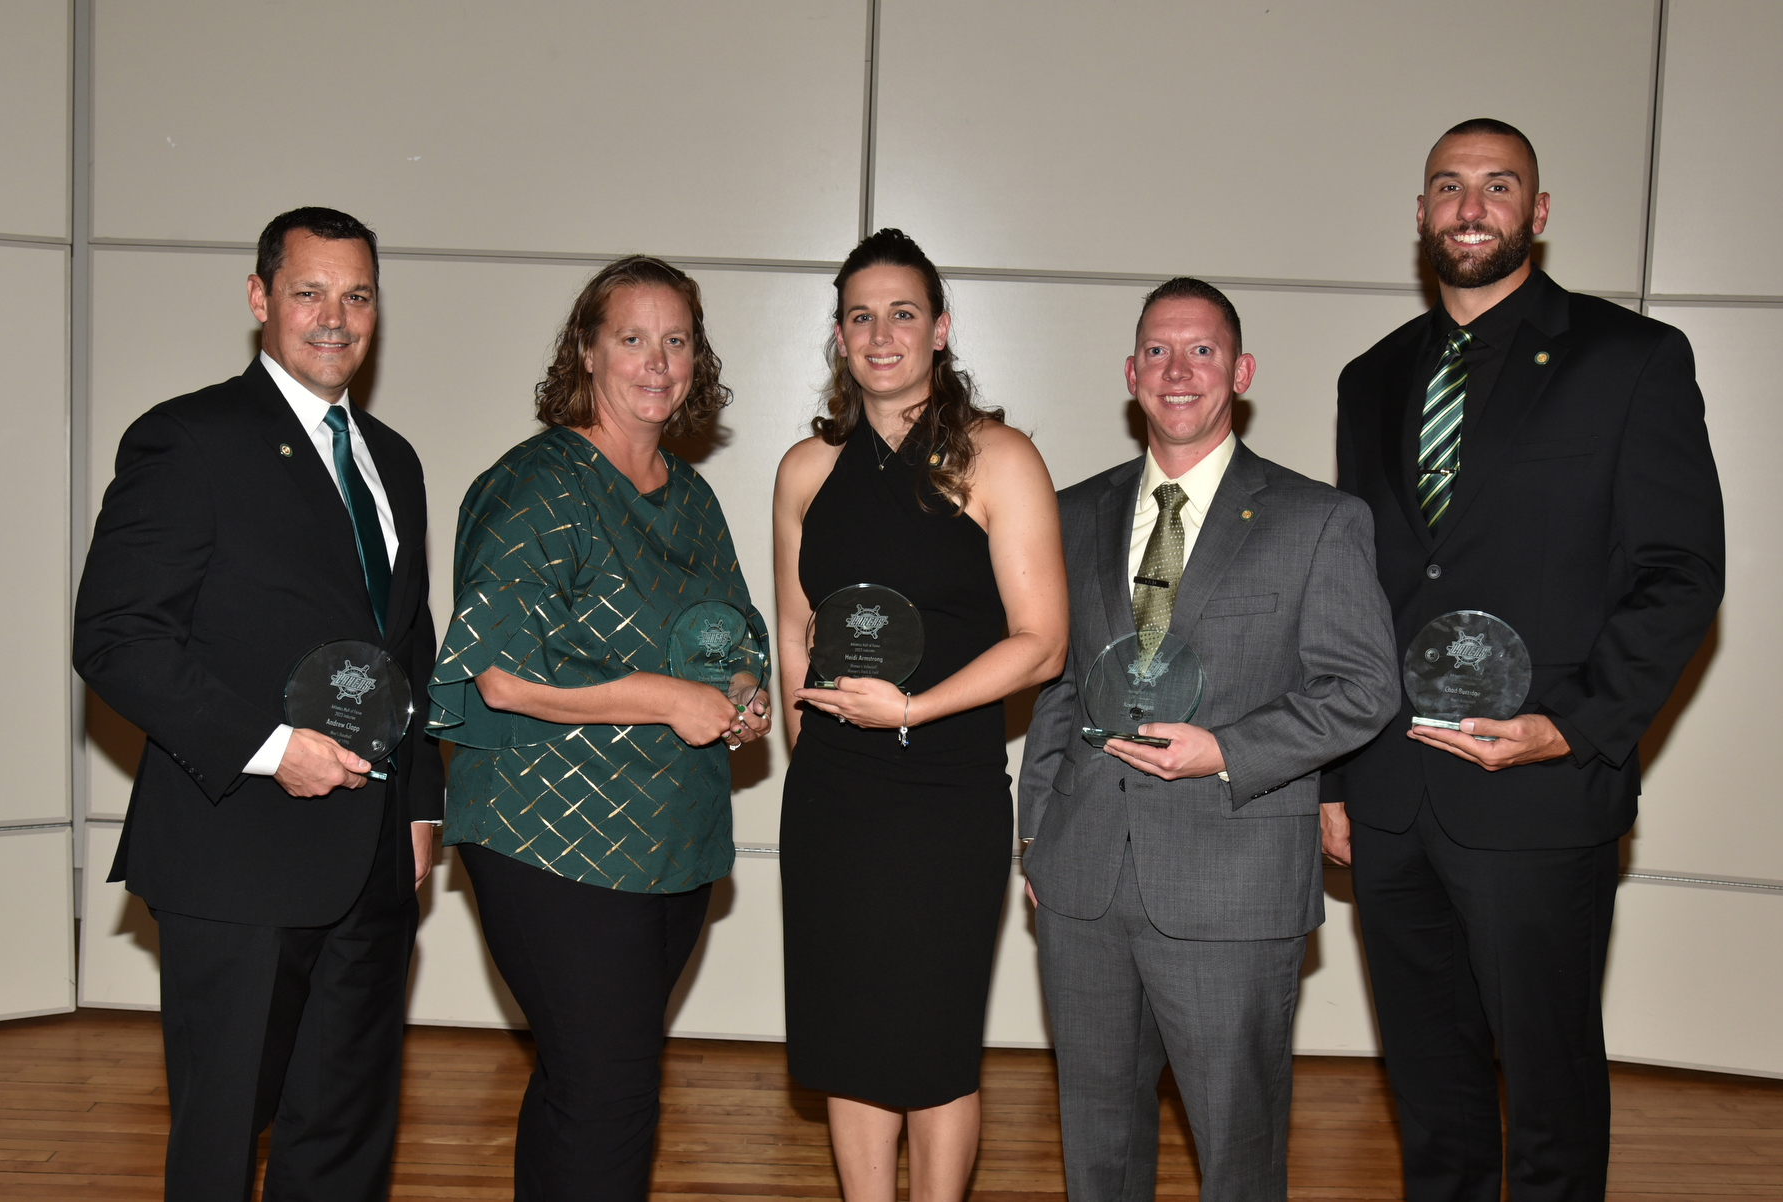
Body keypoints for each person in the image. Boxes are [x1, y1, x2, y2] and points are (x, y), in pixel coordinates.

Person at [1323, 119, 1725, 1200]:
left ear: (1537, 216)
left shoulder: (1631, 360)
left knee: (1548, 1094)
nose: (1470, 207)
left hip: (1539, 786)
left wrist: (1574, 725)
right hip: (1395, 791)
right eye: (1447, 187)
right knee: (1430, 1096)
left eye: (1498, 187)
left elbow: (1682, 572)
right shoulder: (1372, 379)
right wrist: (1333, 774)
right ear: (1419, 215)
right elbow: (1353, 595)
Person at [73, 207, 443, 1199]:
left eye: (357, 294)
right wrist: (273, 745)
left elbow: (409, 640)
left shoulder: (393, 460)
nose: (335, 316)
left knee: (346, 1134)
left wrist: (419, 802)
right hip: (235, 855)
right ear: (259, 299)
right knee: (221, 1138)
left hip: (372, 860)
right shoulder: (189, 439)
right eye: (308, 291)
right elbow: (116, 638)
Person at [1018, 277, 1399, 1201]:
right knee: (1096, 1151)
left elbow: (1366, 688)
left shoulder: (1320, 521)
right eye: (1157, 350)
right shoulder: (1072, 514)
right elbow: (1062, 686)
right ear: (1130, 371)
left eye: (1201, 351)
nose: (1178, 370)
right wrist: (1036, 829)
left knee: (1237, 1152)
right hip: (1083, 877)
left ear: (1242, 370)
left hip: (1233, 886)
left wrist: (1225, 748)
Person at [426, 255, 770, 1200]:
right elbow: (495, 675)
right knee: (612, 1096)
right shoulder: (535, 485)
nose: (656, 362)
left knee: (589, 1086)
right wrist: (666, 697)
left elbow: (728, 633)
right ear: (586, 351)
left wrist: (743, 690)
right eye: (631, 338)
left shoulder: (691, 499)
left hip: (670, 844)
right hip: (551, 841)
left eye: (677, 341)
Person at [772, 228, 1068, 1202]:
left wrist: (917, 706)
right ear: (840, 335)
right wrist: (805, 734)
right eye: (861, 315)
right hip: (834, 799)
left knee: (933, 1040)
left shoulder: (997, 457)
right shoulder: (806, 470)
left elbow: (1042, 639)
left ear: (939, 329)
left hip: (945, 793)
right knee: (850, 1034)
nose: (881, 332)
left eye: (903, 312)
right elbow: (793, 620)